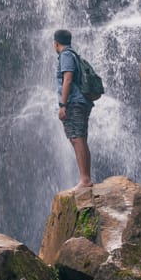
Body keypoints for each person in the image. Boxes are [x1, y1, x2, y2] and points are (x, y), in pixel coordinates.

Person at [53, 29, 93, 190]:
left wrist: (63, 105)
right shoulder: (73, 54)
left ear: (55, 43)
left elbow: (67, 79)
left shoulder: (66, 55)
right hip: (80, 101)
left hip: (74, 102)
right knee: (79, 138)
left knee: (77, 138)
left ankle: (85, 179)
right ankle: (85, 178)